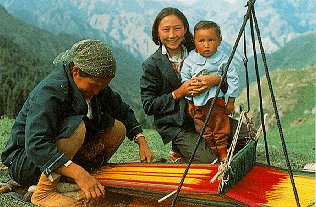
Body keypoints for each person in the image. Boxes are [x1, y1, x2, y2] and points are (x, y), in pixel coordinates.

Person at [1, 39, 154, 206]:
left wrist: (141, 141)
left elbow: (121, 110)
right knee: (76, 129)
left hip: (59, 157)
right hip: (27, 163)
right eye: (94, 85)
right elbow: (36, 145)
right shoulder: (50, 92)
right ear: (75, 71)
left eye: (102, 87)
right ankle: (44, 192)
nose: (97, 91)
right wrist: (79, 174)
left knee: (117, 129)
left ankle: (73, 177)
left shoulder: (97, 87)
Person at [140, 7, 222, 164]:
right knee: (213, 162)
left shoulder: (200, 50)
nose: (172, 35)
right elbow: (149, 105)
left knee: (243, 137)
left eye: (177, 28)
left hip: (207, 115)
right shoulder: (152, 65)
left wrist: (215, 80)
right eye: (166, 30)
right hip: (177, 126)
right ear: (157, 33)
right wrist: (178, 93)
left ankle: (184, 153)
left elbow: (226, 73)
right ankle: (179, 148)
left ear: (185, 29)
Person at [181, 20, 239, 162]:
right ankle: (213, 152)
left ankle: (223, 151)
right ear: (194, 42)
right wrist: (189, 102)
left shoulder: (223, 60)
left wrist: (230, 101)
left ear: (219, 40)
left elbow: (233, 78)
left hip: (216, 102)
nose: (206, 45)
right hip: (198, 105)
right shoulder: (190, 60)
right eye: (201, 41)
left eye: (211, 40)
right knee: (204, 129)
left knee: (220, 127)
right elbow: (185, 80)